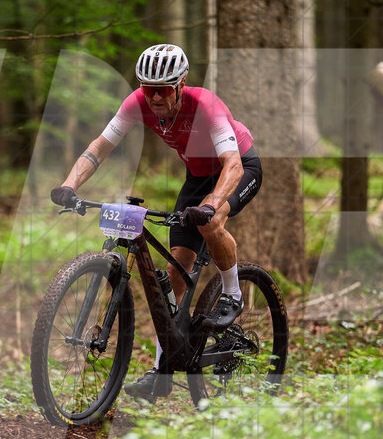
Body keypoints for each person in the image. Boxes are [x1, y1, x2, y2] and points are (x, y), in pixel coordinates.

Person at [50, 43, 262, 398]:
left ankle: (233, 293)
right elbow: (100, 146)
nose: (155, 98)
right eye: (149, 89)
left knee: (211, 223)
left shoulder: (206, 105)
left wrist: (211, 205)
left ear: (180, 85)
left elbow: (234, 165)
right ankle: (163, 371)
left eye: (163, 90)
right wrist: (70, 184)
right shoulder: (137, 103)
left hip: (239, 167)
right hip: (197, 177)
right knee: (176, 270)